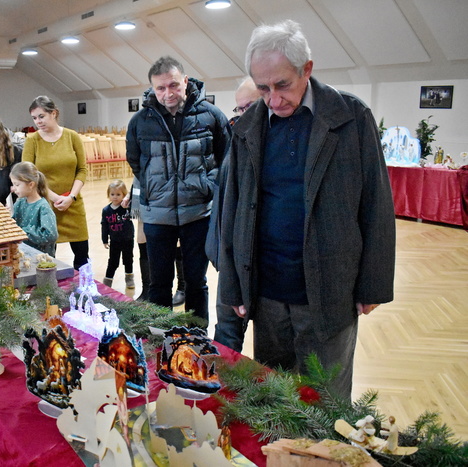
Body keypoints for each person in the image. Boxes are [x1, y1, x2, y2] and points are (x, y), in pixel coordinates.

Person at [218, 20, 396, 399]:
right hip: (267, 294)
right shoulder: (246, 127)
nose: (273, 99)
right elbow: (231, 212)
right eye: (263, 88)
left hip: (329, 291)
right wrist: (232, 286)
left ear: (307, 69)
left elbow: (376, 205)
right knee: (276, 398)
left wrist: (373, 284)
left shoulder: (351, 117)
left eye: (282, 85)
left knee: (327, 401)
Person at [126, 56, 231, 323]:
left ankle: (197, 336)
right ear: (152, 88)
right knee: (159, 283)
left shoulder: (211, 115)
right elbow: (136, 161)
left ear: (185, 81)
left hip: (198, 214)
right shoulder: (140, 121)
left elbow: (226, 159)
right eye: (160, 88)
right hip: (157, 215)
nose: (168, 93)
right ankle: (161, 336)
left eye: (173, 85)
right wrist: (155, 188)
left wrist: (207, 186)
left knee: (196, 282)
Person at [209, 77, 259, 352]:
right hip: (230, 256)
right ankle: (221, 377)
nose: (242, 115)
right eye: (240, 109)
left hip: (256, 259)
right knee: (226, 332)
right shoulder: (237, 136)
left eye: (249, 107)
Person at [22, 96, 89, 270]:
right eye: (34, 118)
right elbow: (28, 175)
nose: (38, 121)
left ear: (54, 113)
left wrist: (71, 197)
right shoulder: (32, 140)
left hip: (73, 203)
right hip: (45, 206)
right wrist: (54, 197)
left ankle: (82, 286)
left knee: (82, 257)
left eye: (41, 116)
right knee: (48, 258)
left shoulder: (72, 136)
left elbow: (82, 170)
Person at [10, 161, 58, 256]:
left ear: (31, 185)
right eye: (13, 185)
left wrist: (23, 232)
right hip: (24, 254)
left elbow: (51, 235)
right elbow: (13, 225)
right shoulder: (19, 203)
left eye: (17, 185)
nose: (14, 188)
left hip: (41, 258)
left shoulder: (43, 207)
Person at [101, 180, 135, 289]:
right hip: (115, 241)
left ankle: (129, 278)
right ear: (108, 195)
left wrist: (129, 205)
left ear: (124, 195)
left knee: (128, 259)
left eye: (118, 194)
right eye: (112, 194)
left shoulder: (126, 208)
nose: (115, 197)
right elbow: (104, 225)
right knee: (113, 261)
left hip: (128, 239)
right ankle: (108, 280)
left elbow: (136, 215)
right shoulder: (106, 210)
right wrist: (104, 240)